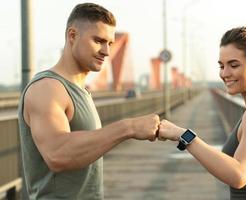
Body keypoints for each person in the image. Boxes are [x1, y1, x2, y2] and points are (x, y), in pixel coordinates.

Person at [18, 3, 160, 199]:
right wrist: (130, 127)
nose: (107, 51)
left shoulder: (80, 90)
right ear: (72, 36)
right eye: (98, 41)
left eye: (110, 43)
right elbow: (57, 154)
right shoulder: (47, 88)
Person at [158, 26, 246, 199]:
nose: (224, 73)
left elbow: (238, 174)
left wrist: (183, 135)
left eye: (233, 65)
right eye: (222, 66)